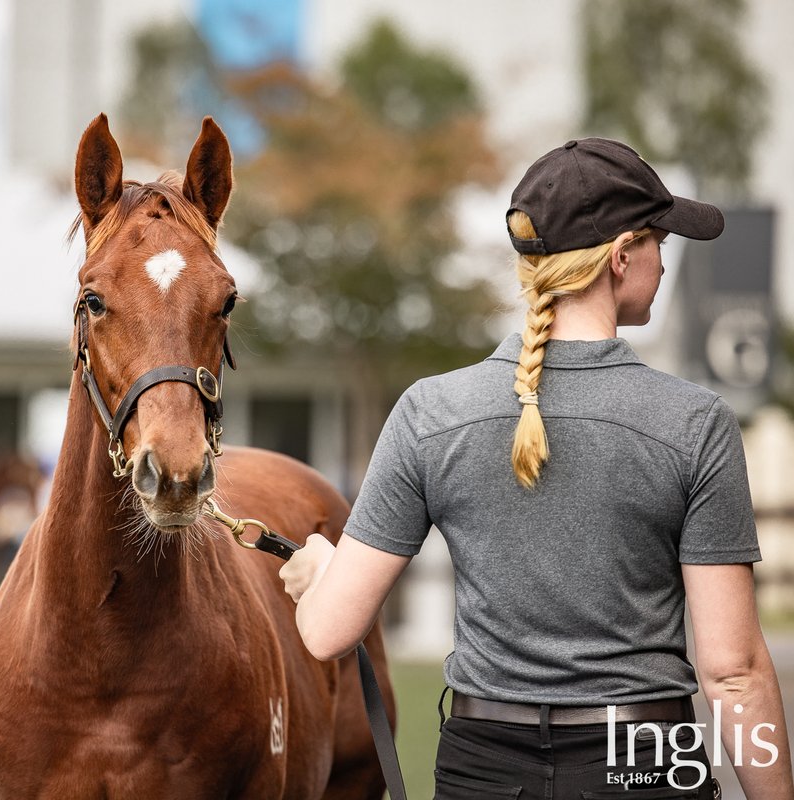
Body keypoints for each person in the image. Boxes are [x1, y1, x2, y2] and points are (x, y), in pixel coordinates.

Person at [280, 138, 794, 799]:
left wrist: (322, 575)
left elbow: (326, 630)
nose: (665, 263)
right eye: (660, 240)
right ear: (620, 257)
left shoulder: (428, 414)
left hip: (482, 771)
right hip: (644, 767)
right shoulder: (694, 423)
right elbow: (735, 674)